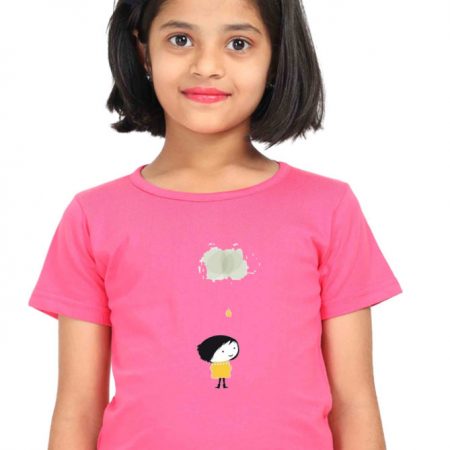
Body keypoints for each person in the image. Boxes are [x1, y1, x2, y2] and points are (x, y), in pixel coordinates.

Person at [27, 0, 403, 449]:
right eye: (180, 39)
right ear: (143, 51)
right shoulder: (93, 216)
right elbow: (77, 409)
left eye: (238, 43)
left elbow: (355, 403)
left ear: (276, 56)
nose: (206, 66)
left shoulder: (329, 208)